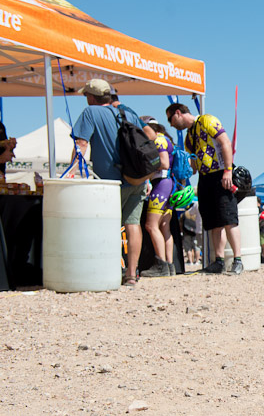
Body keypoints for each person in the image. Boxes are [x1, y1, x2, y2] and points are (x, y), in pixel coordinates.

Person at [74, 79, 158, 286]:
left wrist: (72, 172)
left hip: (110, 182)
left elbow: (81, 144)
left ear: (91, 97)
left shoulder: (90, 113)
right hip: (136, 178)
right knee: (132, 224)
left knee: (109, 225)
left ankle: (109, 270)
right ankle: (131, 273)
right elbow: (151, 135)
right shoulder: (128, 114)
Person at [165, 102, 241, 275]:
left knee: (229, 218)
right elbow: (192, 166)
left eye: (170, 119)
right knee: (214, 222)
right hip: (205, 178)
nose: (170, 124)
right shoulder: (189, 136)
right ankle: (219, 261)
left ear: (178, 113)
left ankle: (238, 260)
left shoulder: (207, 120)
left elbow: (225, 142)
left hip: (221, 173)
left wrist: (228, 171)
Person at [139, 120, 177, 277]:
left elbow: (164, 163)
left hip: (161, 184)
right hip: (169, 185)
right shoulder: (167, 139)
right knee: (164, 227)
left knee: (151, 225)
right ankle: (169, 265)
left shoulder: (159, 140)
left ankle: (161, 264)